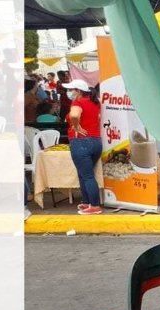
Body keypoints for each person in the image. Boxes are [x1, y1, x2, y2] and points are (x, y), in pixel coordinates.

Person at [62, 80, 104, 215]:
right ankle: (87, 202)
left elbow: (74, 115)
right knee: (84, 174)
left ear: (78, 91)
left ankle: (95, 206)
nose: (69, 92)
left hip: (80, 142)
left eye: (71, 89)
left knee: (87, 176)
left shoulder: (78, 103)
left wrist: (75, 126)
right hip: (96, 141)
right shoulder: (95, 102)